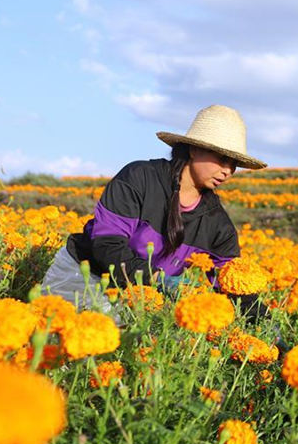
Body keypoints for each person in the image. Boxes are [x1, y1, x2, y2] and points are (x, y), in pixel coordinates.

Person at [41, 105, 269, 322]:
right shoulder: (140, 178)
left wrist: (269, 326)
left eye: (234, 164)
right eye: (222, 159)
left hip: (145, 297)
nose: (228, 171)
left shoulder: (218, 225)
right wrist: (158, 280)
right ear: (194, 148)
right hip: (85, 275)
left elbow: (233, 283)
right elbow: (107, 245)